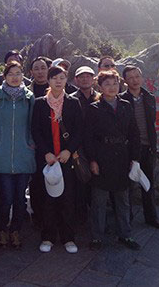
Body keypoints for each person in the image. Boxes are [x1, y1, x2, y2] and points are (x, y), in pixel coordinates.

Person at [84, 70, 141, 251]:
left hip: (122, 156)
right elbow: (88, 138)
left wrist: (135, 158)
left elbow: (134, 133)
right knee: (99, 200)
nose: (111, 87)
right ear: (100, 87)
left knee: (123, 199)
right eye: (107, 84)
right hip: (102, 156)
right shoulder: (94, 108)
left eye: (115, 84)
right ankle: (97, 237)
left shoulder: (126, 105)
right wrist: (92, 160)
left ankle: (125, 234)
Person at [31, 66, 83, 254]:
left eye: (61, 78)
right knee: (48, 199)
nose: (58, 81)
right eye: (54, 78)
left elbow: (79, 130)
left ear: (66, 79)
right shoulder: (40, 103)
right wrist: (46, 152)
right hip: (48, 159)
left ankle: (68, 237)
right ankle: (48, 237)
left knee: (68, 199)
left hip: (66, 158)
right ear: (48, 81)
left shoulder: (73, 102)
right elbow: (35, 130)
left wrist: (69, 150)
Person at [0, 61, 35, 249]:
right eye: (11, 73)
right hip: (2, 154)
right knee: (5, 196)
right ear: (4, 76)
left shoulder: (29, 97)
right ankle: (1, 229)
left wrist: (31, 142)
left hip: (24, 154)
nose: (15, 77)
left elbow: (33, 123)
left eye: (18, 73)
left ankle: (16, 230)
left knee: (20, 198)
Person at [120, 65, 159, 230]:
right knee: (128, 186)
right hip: (129, 149)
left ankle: (151, 217)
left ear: (142, 77)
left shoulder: (149, 97)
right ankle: (127, 219)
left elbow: (151, 123)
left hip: (148, 147)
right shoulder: (121, 100)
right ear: (125, 81)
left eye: (137, 76)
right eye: (130, 77)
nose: (135, 80)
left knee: (148, 184)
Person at [70, 66, 99, 223]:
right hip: (79, 148)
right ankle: (81, 219)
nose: (85, 79)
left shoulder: (100, 97)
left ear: (94, 79)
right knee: (80, 182)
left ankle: (97, 219)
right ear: (76, 80)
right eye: (81, 76)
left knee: (98, 184)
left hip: (98, 146)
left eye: (88, 76)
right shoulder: (71, 99)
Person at [28, 55, 52, 228]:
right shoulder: (26, 92)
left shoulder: (56, 88)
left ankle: (53, 215)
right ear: (31, 72)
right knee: (36, 181)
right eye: (36, 68)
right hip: (32, 144)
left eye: (43, 68)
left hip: (53, 143)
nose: (40, 71)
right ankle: (38, 215)